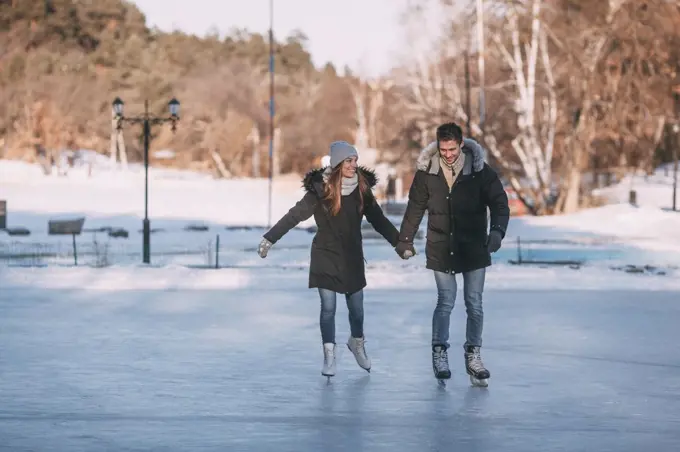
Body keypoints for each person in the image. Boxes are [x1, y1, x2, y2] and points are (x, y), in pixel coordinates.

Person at [257, 141, 400, 377]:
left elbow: (379, 219)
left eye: (355, 160)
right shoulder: (320, 190)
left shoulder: (361, 189)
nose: (354, 165)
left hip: (352, 256)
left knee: (357, 311)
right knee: (328, 308)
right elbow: (294, 216)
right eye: (349, 161)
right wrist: (269, 238)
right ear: (337, 164)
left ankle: (356, 342)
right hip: (325, 255)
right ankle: (329, 354)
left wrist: (399, 243)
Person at [395, 122, 510, 386]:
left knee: (475, 303)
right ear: (438, 146)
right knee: (445, 300)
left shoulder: (480, 171)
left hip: (473, 247)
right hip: (440, 246)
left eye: (452, 149)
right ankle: (439, 352)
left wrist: (497, 232)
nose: (448, 154)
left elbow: (500, 204)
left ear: (461, 144)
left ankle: (473, 355)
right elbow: (414, 209)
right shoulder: (427, 173)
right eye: (443, 149)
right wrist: (405, 240)